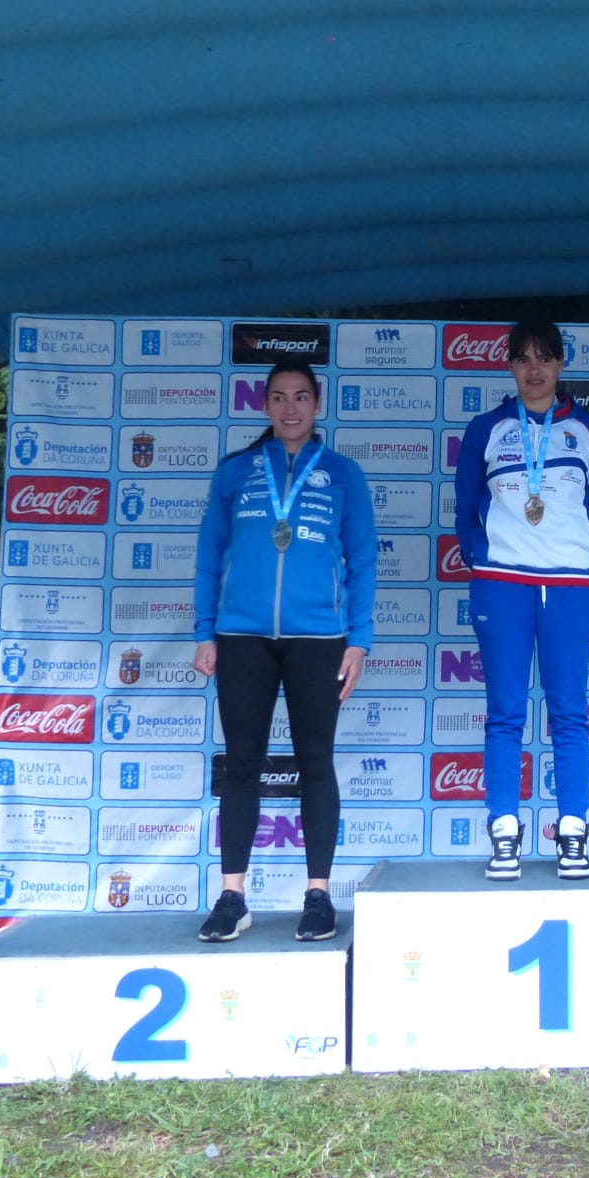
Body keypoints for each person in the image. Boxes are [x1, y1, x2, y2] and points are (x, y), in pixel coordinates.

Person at [193, 359, 377, 943]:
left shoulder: (344, 475)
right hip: (242, 635)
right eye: (279, 397)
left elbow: (366, 561)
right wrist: (205, 630)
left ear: (317, 405)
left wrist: (360, 641)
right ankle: (232, 897)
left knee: (315, 762)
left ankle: (318, 896)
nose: (290, 408)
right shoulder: (236, 472)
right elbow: (208, 554)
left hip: (318, 639)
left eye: (301, 397)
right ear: (265, 404)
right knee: (242, 764)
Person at [454, 318, 589, 880]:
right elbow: (464, 510)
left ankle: (572, 831)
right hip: (501, 585)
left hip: (570, 588)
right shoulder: (487, 428)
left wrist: (584, 567)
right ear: (509, 365)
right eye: (523, 358)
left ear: (559, 364)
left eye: (544, 358)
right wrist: (486, 560)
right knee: (505, 713)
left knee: (569, 715)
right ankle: (504, 831)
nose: (534, 369)